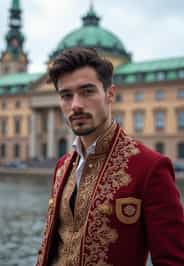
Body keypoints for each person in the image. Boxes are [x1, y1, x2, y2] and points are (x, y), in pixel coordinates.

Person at [36, 47, 184, 266]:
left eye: (87, 91)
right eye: (66, 95)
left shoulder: (150, 167)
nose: (76, 105)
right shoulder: (62, 165)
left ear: (110, 94)